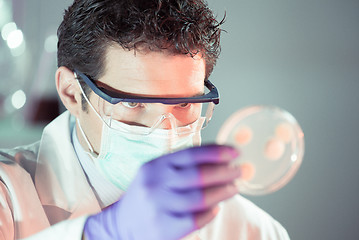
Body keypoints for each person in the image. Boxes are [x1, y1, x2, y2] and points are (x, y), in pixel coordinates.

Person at [0, 0, 290, 239]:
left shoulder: (252, 230)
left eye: (185, 103)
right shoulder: (7, 194)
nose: (165, 132)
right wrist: (105, 233)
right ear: (72, 93)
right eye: (132, 102)